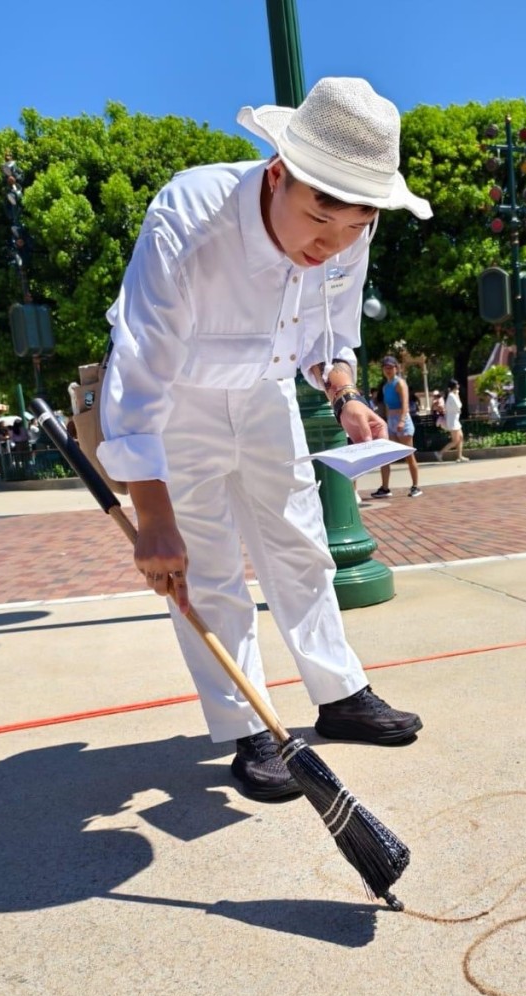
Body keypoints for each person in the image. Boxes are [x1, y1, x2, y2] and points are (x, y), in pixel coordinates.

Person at [97, 77, 430, 802]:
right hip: (179, 393)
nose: (332, 246)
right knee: (208, 565)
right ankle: (250, 725)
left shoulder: (347, 236)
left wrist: (343, 393)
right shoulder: (187, 220)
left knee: (299, 543)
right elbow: (138, 375)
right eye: (319, 218)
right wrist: (152, 516)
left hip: (266, 390)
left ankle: (339, 694)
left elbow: (331, 328)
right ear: (278, 174)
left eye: (355, 227)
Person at [372, 354, 423, 497]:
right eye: (385, 367)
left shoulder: (400, 383)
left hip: (403, 420)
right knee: (385, 455)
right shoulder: (385, 386)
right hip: (391, 421)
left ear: (396, 368)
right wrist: (388, 423)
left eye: (391, 367)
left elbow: (405, 403)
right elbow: (387, 407)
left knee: (408, 454)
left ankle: (415, 486)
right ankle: (385, 487)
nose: (388, 370)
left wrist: (401, 421)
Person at [439, 378, 468, 462]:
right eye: (457, 384)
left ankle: (459, 456)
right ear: (454, 386)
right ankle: (440, 453)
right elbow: (459, 406)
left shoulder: (452, 395)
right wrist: (457, 396)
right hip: (452, 422)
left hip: (455, 420)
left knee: (461, 438)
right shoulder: (452, 396)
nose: (458, 386)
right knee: (455, 441)